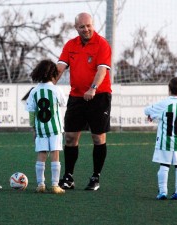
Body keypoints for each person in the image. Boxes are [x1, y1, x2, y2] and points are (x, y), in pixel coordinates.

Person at [57, 12, 112, 191]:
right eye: (82, 26)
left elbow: (102, 70)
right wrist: (48, 85)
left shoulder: (102, 44)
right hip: (77, 97)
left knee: (98, 138)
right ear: (76, 28)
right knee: (71, 137)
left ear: (93, 25)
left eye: (88, 25)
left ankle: (96, 176)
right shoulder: (70, 45)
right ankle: (69, 176)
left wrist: (93, 88)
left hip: (99, 96)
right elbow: (60, 67)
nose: (86, 29)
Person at [26, 59, 66, 194]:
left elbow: (31, 111)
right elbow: (63, 103)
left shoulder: (34, 91)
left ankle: (40, 184)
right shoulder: (56, 90)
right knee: (55, 154)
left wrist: (34, 128)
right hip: (55, 128)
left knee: (41, 154)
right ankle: (55, 185)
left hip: (41, 129)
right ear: (53, 73)